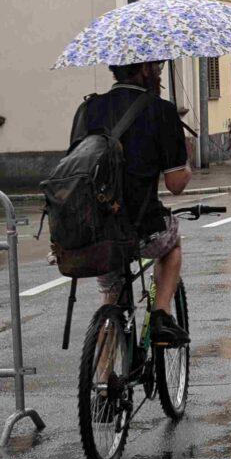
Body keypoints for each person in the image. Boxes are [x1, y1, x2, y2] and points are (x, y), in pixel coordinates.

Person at [70, 60, 193, 347]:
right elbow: (175, 184)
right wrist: (185, 163)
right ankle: (162, 314)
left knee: (112, 292)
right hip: (140, 225)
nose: (160, 71)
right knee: (172, 244)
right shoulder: (160, 110)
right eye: (157, 67)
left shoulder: (89, 109)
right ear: (144, 69)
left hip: (95, 227)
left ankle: (102, 380)